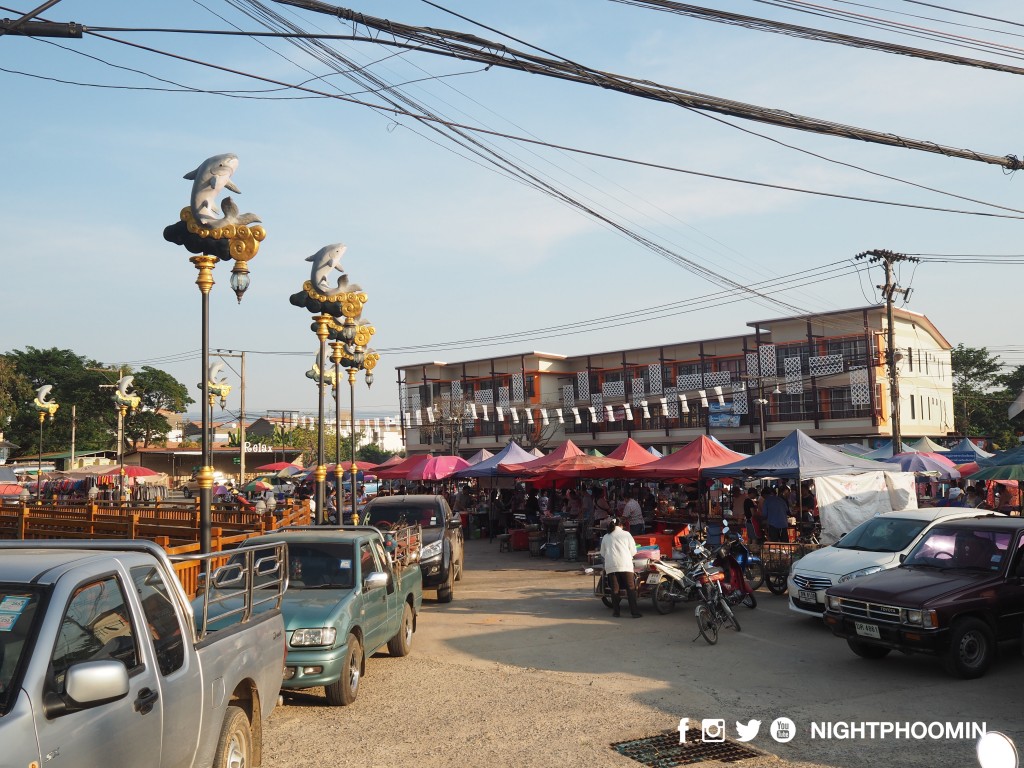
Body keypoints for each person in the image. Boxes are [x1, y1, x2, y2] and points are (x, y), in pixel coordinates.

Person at [599, 517, 641, 618]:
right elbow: (633, 551)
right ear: (621, 525)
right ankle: (634, 612)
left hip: (611, 566)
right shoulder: (626, 534)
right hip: (625, 565)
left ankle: (616, 612)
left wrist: (611, 559)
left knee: (615, 590)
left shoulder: (606, 536)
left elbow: (602, 553)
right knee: (630, 588)